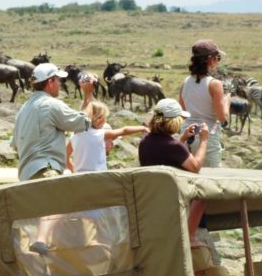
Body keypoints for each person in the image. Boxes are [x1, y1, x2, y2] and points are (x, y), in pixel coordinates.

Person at [138, 98, 209, 247]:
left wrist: (182, 139)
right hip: (172, 195)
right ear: (174, 121)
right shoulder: (174, 146)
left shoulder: (145, 141)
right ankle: (190, 237)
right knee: (202, 195)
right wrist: (203, 141)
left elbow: (167, 154)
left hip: (153, 193)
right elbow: (195, 167)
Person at [11, 63, 95, 181]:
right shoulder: (50, 104)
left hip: (25, 176)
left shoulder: (23, 109)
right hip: (46, 170)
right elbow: (83, 121)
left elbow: (15, 145)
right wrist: (88, 94)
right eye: (58, 80)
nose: (60, 84)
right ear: (50, 82)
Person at [179, 39, 230, 168]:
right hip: (207, 136)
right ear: (211, 59)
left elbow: (183, 113)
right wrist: (227, 101)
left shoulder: (185, 82)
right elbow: (222, 117)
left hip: (186, 134)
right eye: (218, 58)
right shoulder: (215, 84)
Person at [66, 101, 149, 173]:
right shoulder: (101, 134)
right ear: (99, 120)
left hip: (80, 179)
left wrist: (74, 171)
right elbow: (124, 130)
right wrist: (143, 128)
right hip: (100, 178)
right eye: (105, 118)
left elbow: (65, 157)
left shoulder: (74, 137)